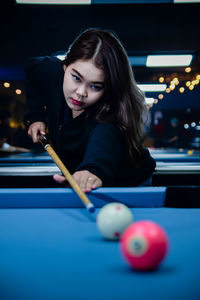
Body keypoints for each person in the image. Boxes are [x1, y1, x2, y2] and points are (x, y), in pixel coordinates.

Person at [25, 28, 156, 192]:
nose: (81, 93)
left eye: (95, 86)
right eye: (76, 78)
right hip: (85, 179)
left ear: (108, 87)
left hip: (129, 182)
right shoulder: (52, 72)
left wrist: (91, 170)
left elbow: (103, 144)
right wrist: (36, 116)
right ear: (65, 65)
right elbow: (31, 69)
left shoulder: (109, 113)